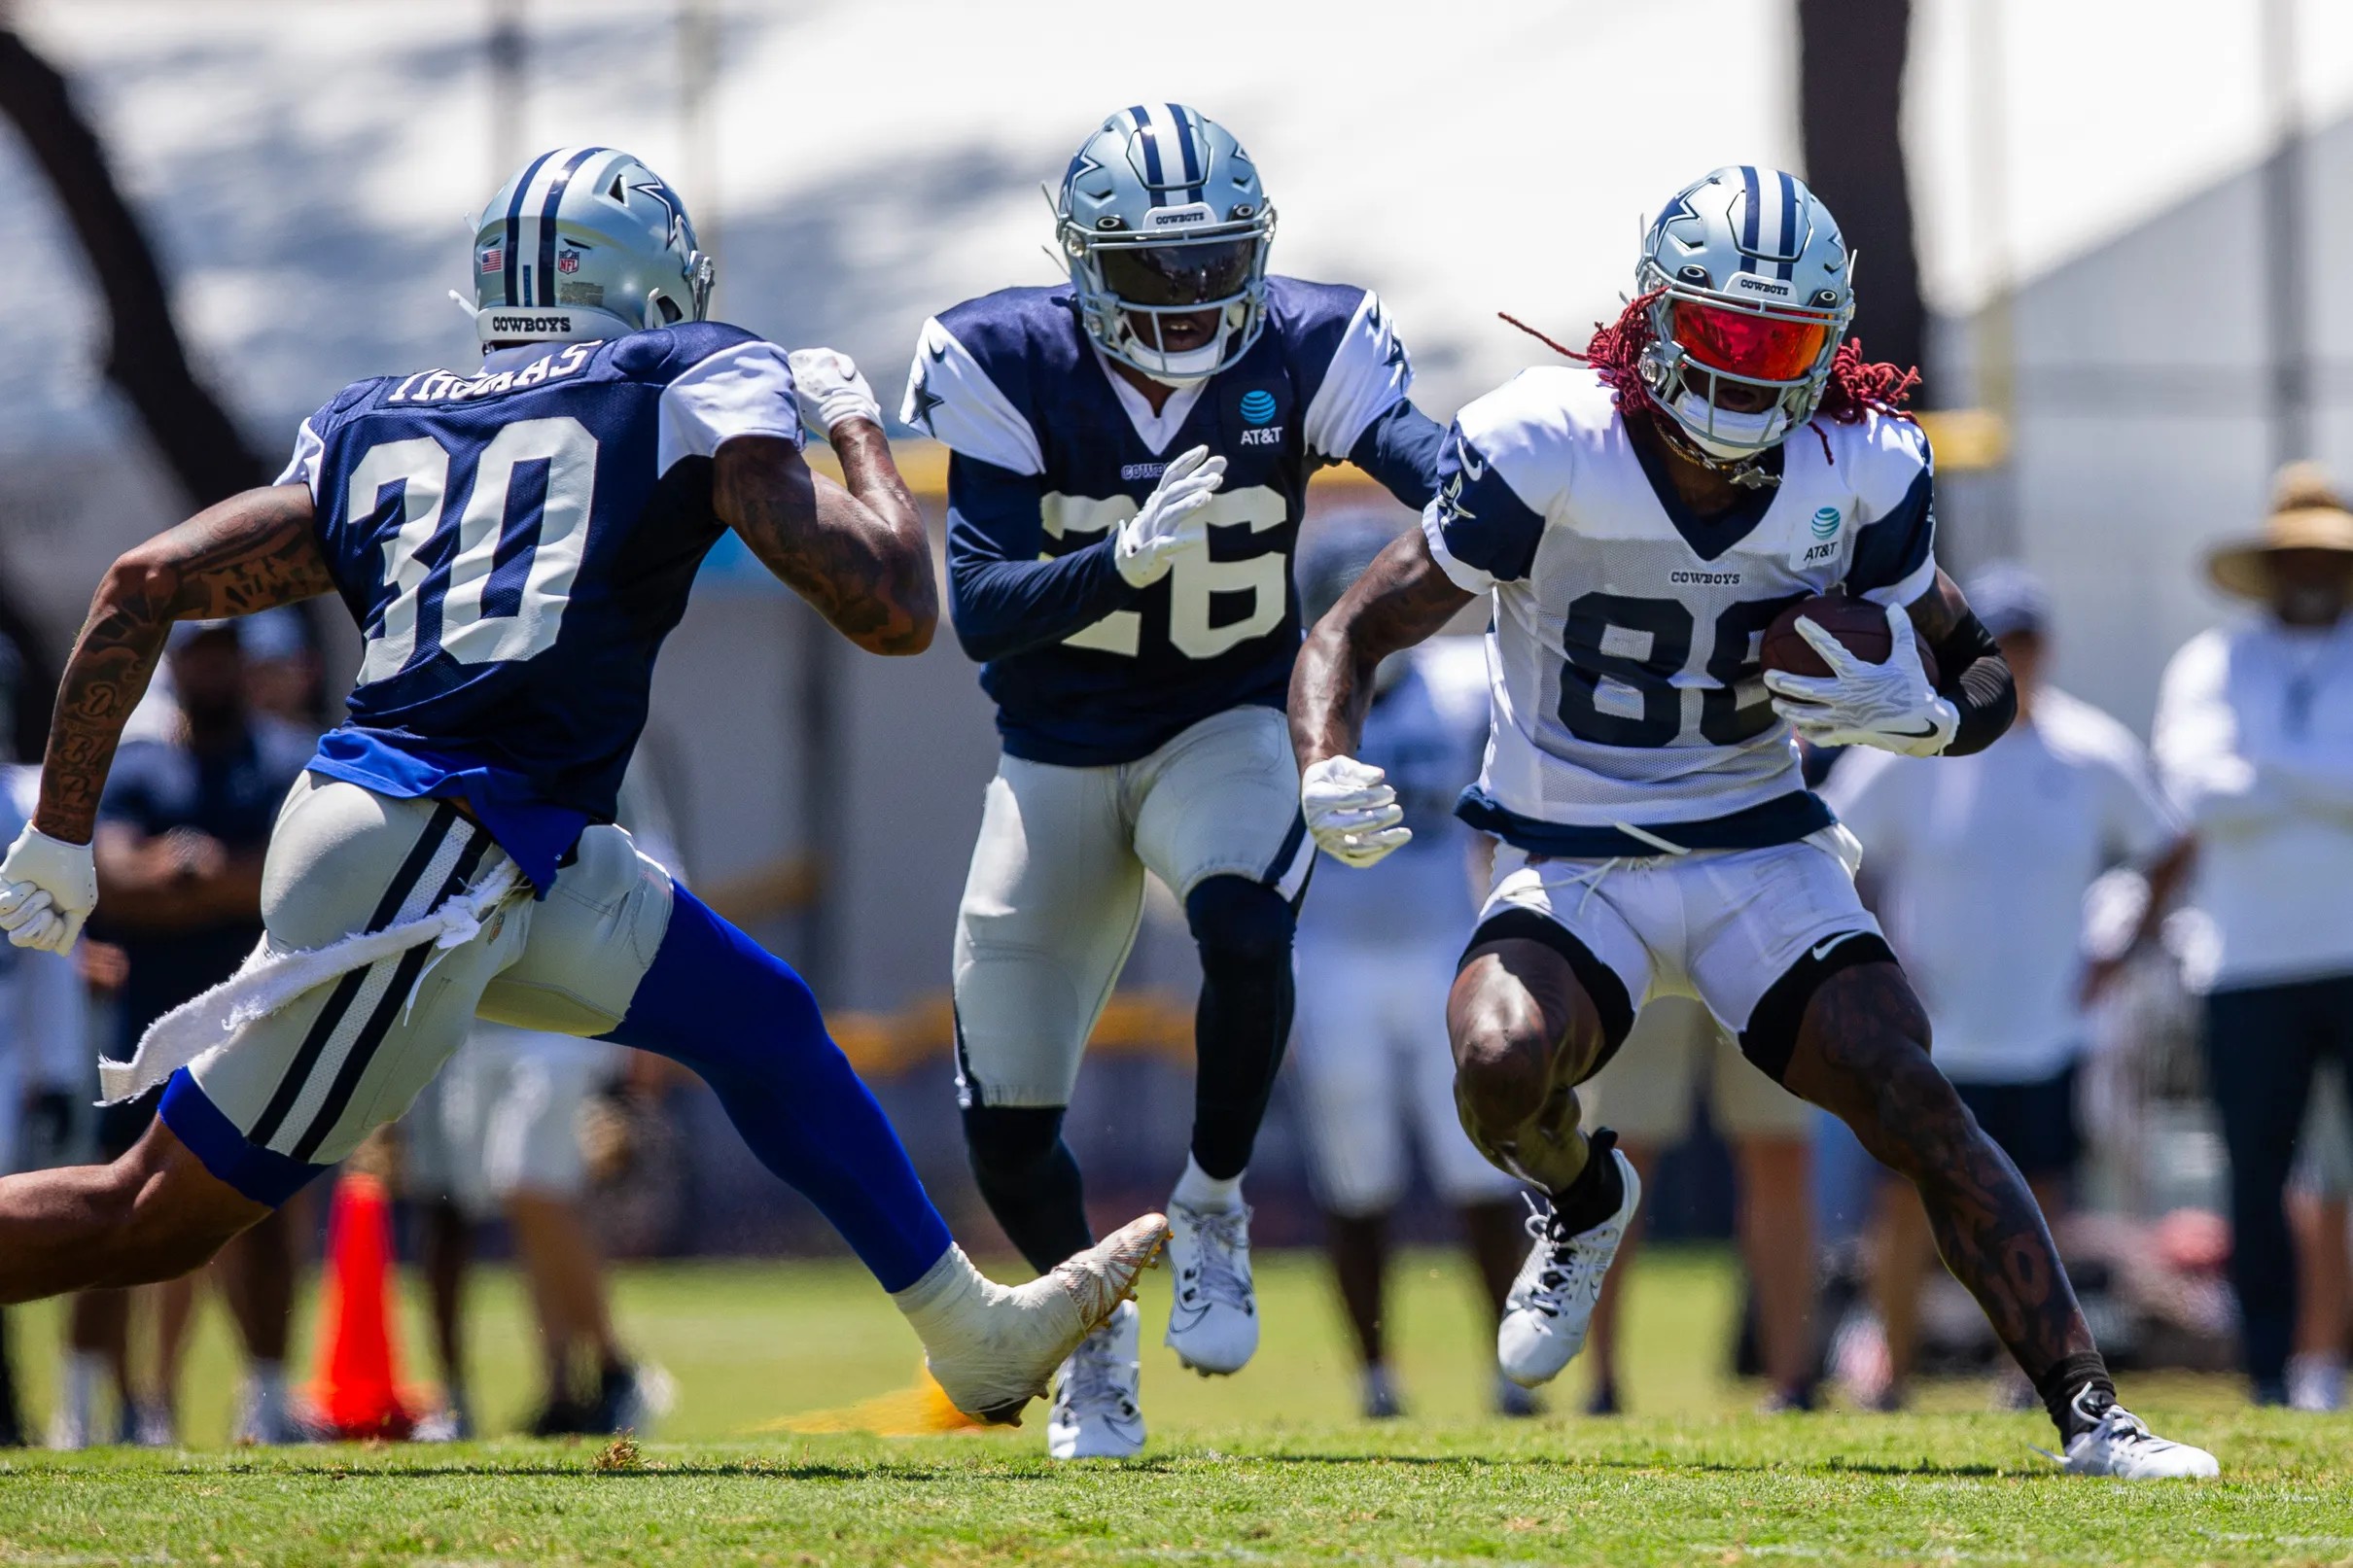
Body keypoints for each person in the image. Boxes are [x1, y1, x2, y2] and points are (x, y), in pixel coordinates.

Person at [0, 146, 1162, 1430]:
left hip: (490, 840)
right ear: (651, 278)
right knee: (149, 1217)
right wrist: (854, 431)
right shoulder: (685, 375)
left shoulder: (381, 411)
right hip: (435, 843)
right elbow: (893, 606)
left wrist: (59, 833)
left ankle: (973, 1335)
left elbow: (141, 582)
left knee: (762, 1022)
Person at [1290, 165, 2216, 1477]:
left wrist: (1935, 716)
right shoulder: (1549, 441)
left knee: (1910, 1093)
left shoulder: (1863, 462)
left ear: (1828, 352)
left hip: (1755, 847)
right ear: (1655, 321)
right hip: (1573, 850)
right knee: (1499, 1065)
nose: (1741, 373)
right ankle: (1582, 1190)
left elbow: (1985, 674)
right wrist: (1323, 760)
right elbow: (1351, 627)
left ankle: (2092, 1416)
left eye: (1778, 346)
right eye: (1721, 335)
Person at [904, 106, 1443, 1458]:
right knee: (1008, 1123)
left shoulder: (1307, 342)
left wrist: (1547, 485)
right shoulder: (1010, 357)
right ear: (1084, 265)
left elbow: (1444, 481)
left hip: (1224, 721)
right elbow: (978, 604)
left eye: (1217, 263)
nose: (1197, 297)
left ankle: (1212, 1199)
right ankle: (1092, 1335)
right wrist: (1118, 563)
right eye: (1159, 270)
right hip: (1056, 746)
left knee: (1249, 924)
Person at [1824, 563, 2190, 1410]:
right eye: (1998, 641)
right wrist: (1873, 959)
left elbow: (2168, 845)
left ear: (2046, 650)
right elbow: (1835, 848)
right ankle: (1894, 1372)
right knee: (1908, 1195)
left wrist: (2121, 948)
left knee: (2040, 1201)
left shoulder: (2091, 751)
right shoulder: (1914, 745)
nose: (2012, 659)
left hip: (2045, 1028)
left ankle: (2027, 1375)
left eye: (2024, 643)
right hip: (1935, 1028)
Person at [49, 620, 317, 1447]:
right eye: (198, 651)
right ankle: (85, 1404)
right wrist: (199, 878)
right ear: (177, 662)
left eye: (224, 652)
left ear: (244, 662)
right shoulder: (137, 763)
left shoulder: (286, 763)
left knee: (260, 1213)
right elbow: (110, 877)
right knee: (110, 1210)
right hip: (143, 1038)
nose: (211, 665)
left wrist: (189, 874)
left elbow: (296, 876)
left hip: (250, 1026)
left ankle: (267, 1400)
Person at [1287, 522, 1528, 1422]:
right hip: (1331, 959)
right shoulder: (1295, 704)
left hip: (1439, 949)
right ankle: (1374, 1373)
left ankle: (1511, 1366)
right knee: (1355, 1177)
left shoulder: (1461, 689)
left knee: (1483, 1168)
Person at [2153, 462, 2353, 1408]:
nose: (2310, 574)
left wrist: (2263, 766)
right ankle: (2270, 1367)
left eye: (2327, 557)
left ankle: (2330, 1360)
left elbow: (2238, 784)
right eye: (2294, 557)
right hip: (2244, 958)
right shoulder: (2209, 661)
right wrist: (2321, 778)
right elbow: (2197, 791)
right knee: (2256, 1171)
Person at [407, 757, 683, 1439]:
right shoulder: (466, 721)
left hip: (574, 1010)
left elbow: (661, 869)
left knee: (527, 1180)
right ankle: (564, 1389)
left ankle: (620, 1368)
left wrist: (656, 1024)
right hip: (486, 1011)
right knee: (534, 1200)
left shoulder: (601, 730)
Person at [1580, 994, 1818, 1413]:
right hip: (1648, 940)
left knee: (1778, 1149)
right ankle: (1600, 1388)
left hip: (1756, 946)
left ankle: (1792, 1384)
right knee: (1616, 1156)